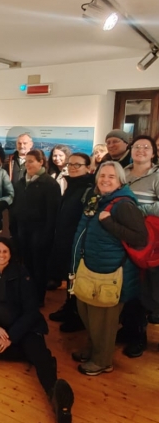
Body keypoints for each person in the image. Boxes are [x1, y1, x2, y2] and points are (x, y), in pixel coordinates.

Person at [0, 237, 74, 423]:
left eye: (5, 251)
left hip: (24, 326)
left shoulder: (22, 273)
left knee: (40, 357)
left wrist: (12, 337)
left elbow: (31, 312)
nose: (1, 255)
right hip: (0, 325)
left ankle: (56, 398)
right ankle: (31, 355)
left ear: (11, 254)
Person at [71, 161, 147, 375]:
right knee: (89, 315)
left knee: (104, 322)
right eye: (102, 176)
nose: (105, 180)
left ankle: (102, 361)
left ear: (120, 181)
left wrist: (109, 223)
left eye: (111, 177)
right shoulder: (97, 200)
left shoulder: (123, 205)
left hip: (111, 274)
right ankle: (93, 350)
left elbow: (140, 238)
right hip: (91, 270)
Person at [120, 135, 159, 356]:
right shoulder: (122, 173)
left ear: (153, 153)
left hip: (146, 243)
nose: (141, 150)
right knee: (125, 286)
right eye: (137, 146)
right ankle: (127, 328)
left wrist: (137, 212)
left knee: (142, 290)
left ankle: (139, 336)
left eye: (146, 147)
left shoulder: (157, 176)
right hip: (121, 237)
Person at [48, 153, 94, 330]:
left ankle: (77, 316)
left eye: (78, 165)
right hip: (65, 240)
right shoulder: (72, 186)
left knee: (76, 278)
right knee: (70, 277)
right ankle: (69, 308)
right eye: (71, 164)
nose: (73, 167)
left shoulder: (88, 189)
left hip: (77, 242)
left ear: (88, 168)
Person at [10, 149, 61, 306]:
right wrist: (14, 229)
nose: (28, 164)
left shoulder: (50, 184)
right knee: (25, 265)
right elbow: (15, 208)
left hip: (40, 233)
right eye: (26, 161)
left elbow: (52, 214)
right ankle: (26, 295)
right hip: (22, 231)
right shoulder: (20, 184)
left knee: (39, 267)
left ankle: (38, 299)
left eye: (31, 161)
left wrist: (47, 236)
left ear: (41, 162)